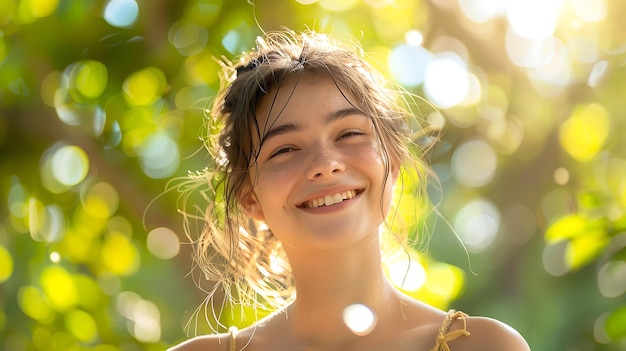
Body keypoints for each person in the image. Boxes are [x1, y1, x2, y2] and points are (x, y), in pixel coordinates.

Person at [168, 29, 531, 351]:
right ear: (251, 198)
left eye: (349, 134)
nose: (326, 163)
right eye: (285, 149)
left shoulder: (484, 346)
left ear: (393, 160)